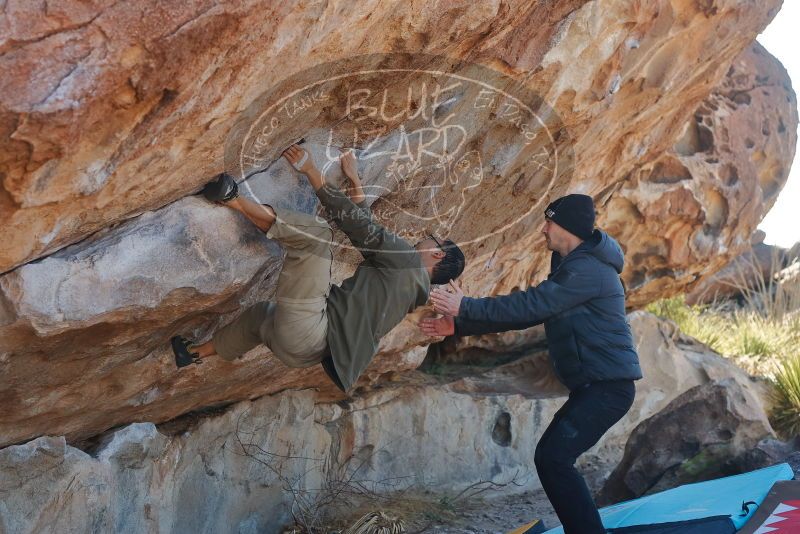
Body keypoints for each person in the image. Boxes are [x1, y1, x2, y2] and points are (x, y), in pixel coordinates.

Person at [420, 194, 642, 534]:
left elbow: (531, 305)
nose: (543, 229)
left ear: (567, 227)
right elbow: (527, 314)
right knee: (552, 458)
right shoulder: (573, 265)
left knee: (553, 458)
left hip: (608, 388)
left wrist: (465, 306)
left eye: (548, 222)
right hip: (595, 387)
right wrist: (460, 324)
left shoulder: (589, 270)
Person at [172, 144, 465, 393]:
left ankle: (231, 198)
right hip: (304, 352)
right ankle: (192, 353)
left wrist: (311, 170)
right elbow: (365, 230)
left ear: (437, 253)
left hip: (310, 328)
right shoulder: (410, 288)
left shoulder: (407, 261)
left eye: (433, 238)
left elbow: (356, 225)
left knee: (317, 237)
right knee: (261, 315)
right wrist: (355, 180)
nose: (426, 238)